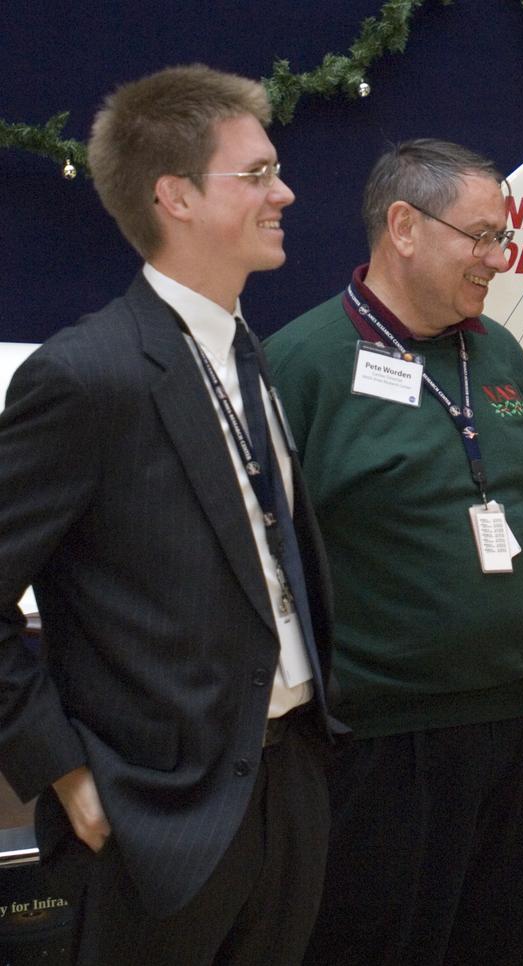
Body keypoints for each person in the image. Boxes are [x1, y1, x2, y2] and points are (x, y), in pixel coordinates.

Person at [0, 65, 344, 964]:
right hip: (158, 815)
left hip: (291, 782)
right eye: (259, 173)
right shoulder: (86, 375)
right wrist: (65, 770)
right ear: (174, 196)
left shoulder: (250, 354)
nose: (287, 192)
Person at [264, 139, 523, 966]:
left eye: (503, 237)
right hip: (381, 746)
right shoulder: (301, 365)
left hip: (506, 727)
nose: (499, 259)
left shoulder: (496, 351)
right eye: (482, 236)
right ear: (403, 226)